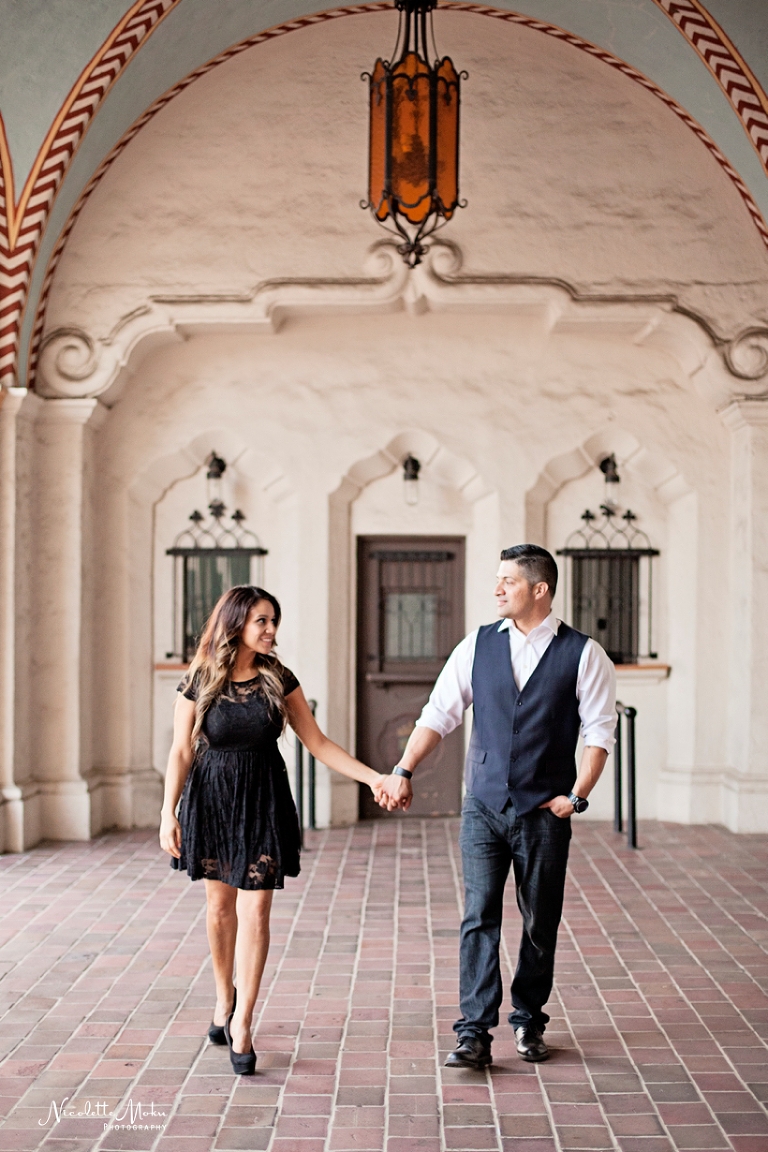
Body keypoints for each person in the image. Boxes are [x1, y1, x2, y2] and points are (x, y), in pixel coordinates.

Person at [375, 544, 616, 1067]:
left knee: (538, 920)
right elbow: (439, 714)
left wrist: (577, 797)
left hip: (545, 813)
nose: (497, 589)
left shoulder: (584, 653)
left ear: (540, 589)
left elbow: (598, 735)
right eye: (498, 579)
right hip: (483, 807)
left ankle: (529, 1020)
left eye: (507, 580)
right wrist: (403, 768)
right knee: (478, 915)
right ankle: (474, 1033)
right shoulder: (477, 645)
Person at [160, 585, 383, 1075]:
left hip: (263, 799)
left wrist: (372, 778)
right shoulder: (200, 678)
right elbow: (181, 750)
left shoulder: (277, 678)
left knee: (255, 908)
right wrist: (166, 811)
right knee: (219, 908)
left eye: (273, 621)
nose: (270, 630)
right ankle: (223, 999)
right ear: (236, 621)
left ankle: (243, 1021)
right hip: (213, 799)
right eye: (262, 620)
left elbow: (318, 742)